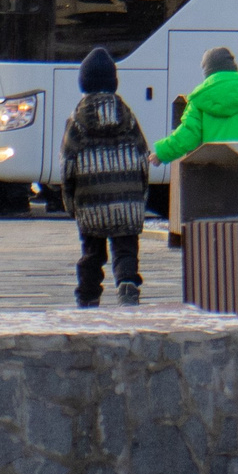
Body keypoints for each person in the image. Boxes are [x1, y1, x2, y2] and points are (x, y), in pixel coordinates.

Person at [63, 48, 151, 306]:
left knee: (92, 251)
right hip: (127, 199)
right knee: (126, 247)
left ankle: (88, 294)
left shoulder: (77, 120)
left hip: (91, 200)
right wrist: (140, 195)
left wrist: (70, 202)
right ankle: (127, 282)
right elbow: (142, 156)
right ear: (114, 82)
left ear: (84, 82)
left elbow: (67, 164)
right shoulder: (128, 116)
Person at [152, 46, 238, 164]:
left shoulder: (199, 100)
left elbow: (188, 134)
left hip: (213, 169)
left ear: (207, 72)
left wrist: (162, 153)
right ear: (233, 68)